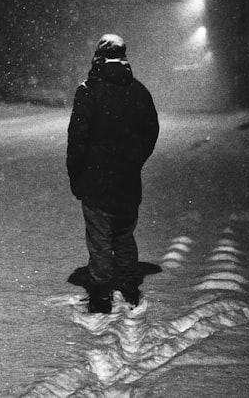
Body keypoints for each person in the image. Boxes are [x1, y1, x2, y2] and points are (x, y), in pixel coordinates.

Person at [67, 34, 159, 314]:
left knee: (99, 239)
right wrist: (133, 161)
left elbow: (77, 139)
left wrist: (77, 175)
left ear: (99, 57)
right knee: (124, 235)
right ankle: (129, 287)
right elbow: (150, 132)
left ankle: (101, 292)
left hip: (96, 181)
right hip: (128, 181)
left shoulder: (89, 90)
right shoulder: (139, 91)